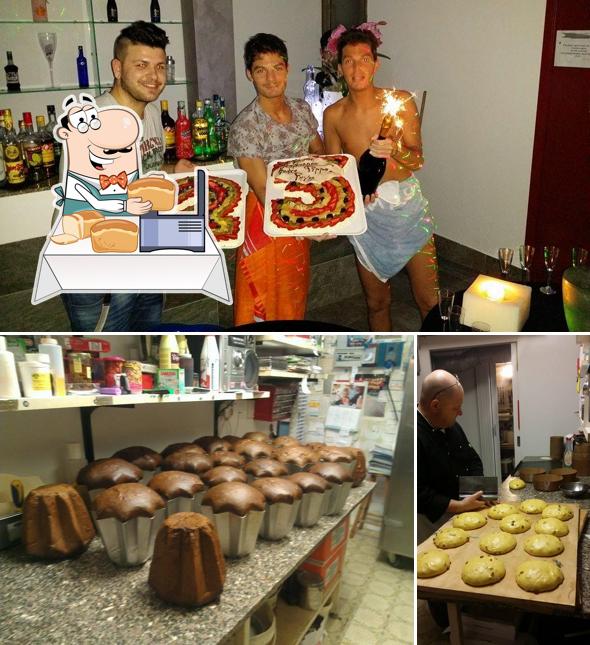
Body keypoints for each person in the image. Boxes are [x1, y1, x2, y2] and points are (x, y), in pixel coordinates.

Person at [60, 20, 194, 332]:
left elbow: (146, 170)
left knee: (144, 340)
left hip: (141, 254)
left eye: (160, 66)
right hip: (98, 268)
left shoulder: (148, 114)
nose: (154, 76)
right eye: (142, 65)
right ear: (118, 68)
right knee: (106, 351)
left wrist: (172, 171)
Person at [323, 27, 439, 331]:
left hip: (409, 212)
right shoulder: (333, 115)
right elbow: (337, 174)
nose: (356, 68)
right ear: (339, 68)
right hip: (369, 218)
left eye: (364, 59)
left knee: (430, 301)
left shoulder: (399, 102)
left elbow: (418, 160)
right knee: (376, 303)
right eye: (348, 61)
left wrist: (395, 149)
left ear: (376, 64)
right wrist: (356, 193)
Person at [227, 33, 325, 325]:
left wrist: (323, 208)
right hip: (265, 223)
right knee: (262, 304)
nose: (271, 78)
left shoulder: (301, 109)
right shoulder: (245, 126)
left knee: (293, 295)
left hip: (300, 215)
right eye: (261, 70)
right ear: (250, 75)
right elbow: (263, 190)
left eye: (277, 68)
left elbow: (320, 157)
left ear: (287, 68)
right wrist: (310, 225)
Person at [417, 369, 490, 543]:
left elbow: (472, 460)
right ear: (435, 405)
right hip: (432, 520)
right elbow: (420, 494)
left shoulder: (452, 427)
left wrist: (479, 492)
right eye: (456, 408)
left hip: (463, 508)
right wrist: (458, 506)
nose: (460, 413)